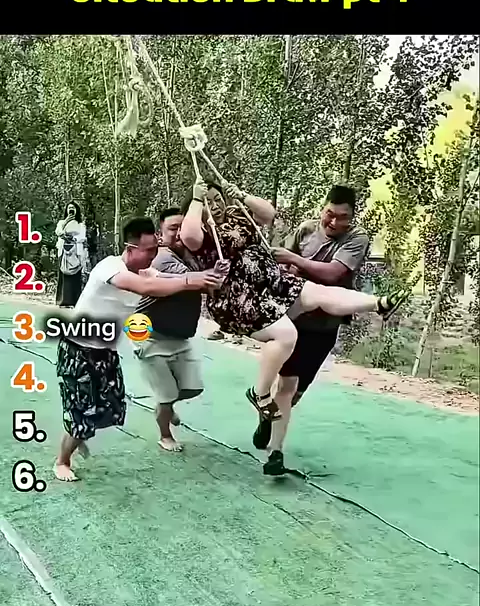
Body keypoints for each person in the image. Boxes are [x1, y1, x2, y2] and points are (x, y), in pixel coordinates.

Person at [180, 179, 408, 423]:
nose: (215, 206)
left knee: (319, 293)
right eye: (208, 202)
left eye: (218, 199)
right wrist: (197, 199)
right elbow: (190, 237)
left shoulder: (236, 214)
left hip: (272, 284)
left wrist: (241, 194)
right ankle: (260, 393)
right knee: (287, 335)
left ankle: (379, 304)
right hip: (240, 299)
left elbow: (268, 214)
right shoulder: (202, 230)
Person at [54, 216, 222, 482]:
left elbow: (167, 281)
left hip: (105, 353)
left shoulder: (146, 271)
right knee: (82, 413)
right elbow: (147, 287)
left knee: (112, 408)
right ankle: (62, 461)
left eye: (156, 249)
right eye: (149, 251)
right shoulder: (110, 268)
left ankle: (80, 432)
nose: (154, 256)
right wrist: (194, 280)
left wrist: (207, 277)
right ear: (130, 249)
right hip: (77, 350)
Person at [253, 185, 370, 475]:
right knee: (287, 385)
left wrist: (295, 261)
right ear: (322, 209)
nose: (334, 222)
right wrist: (286, 269)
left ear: (351, 217)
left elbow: (334, 273)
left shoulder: (357, 238)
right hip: (293, 322)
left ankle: (267, 417)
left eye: (342, 217)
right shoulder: (305, 229)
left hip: (325, 325)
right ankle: (276, 453)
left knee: (297, 392)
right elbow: (280, 264)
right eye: (329, 214)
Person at [134, 207, 205, 452]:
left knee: (193, 387)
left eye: (184, 228)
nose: (180, 233)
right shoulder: (162, 258)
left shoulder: (191, 256)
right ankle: (165, 435)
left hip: (178, 337)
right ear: (160, 235)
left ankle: (167, 403)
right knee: (166, 397)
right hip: (150, 337)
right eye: (173, 228)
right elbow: (199, 281)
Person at [55, 201, 88, 307]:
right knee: (64, 276)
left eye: (73, 208)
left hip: (76, 252)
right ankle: (63, 301)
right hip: (64, 252)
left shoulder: (80, 224)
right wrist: (66, 221)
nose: (71, 210)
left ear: (76, 210)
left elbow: (82, 237)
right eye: (69, 208)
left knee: (75, 276)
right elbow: (58, 232)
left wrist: (73, 238)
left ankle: (74, 301)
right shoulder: (61, 222)